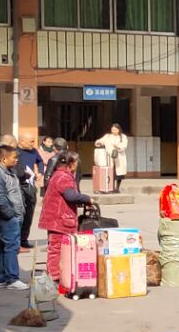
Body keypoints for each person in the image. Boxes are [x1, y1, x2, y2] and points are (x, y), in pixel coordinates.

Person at [39, 141, 91, 297]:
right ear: (71, 164)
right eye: (76, 162)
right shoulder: (63, 177)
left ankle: (59, 277)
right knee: (56, 250)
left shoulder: (60, 174)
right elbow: (70, 195)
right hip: (59, 220)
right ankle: (54, 279)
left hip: (57, 219)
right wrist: (87, 198)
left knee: (58, 249)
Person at [0, 143, 26, 289]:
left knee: (4, 246)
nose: (17, 160)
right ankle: (12, 279)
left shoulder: (9, 171)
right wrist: (10, 214)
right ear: (4, 159)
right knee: (12, 246)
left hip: (11, 215)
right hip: (6, 217)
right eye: (14, 157)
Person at [17, 136, 44, 251]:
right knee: (20, 214)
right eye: (31, 142)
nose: (33, 144)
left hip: (30, 184)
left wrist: (40, 172)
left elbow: (40, 161)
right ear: (21, 141)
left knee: (29, 213)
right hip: (19, 185)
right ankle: (17, 241)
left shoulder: (34, 151)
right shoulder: (15, 151)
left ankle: (24, 239)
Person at [96, 123, 129, 194]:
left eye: (115, 129)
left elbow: (124, 145)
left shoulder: (123, 137)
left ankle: (117, 188)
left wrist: (117, 146)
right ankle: (111, 187)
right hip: (109, 157)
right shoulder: (107, 136)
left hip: (119, 157)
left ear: (119, 130)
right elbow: (100, 141)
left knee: (119, 174)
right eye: (112, 129)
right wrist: (98, 143)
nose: (113, 131)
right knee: (110, 173)